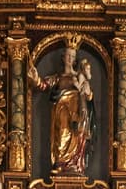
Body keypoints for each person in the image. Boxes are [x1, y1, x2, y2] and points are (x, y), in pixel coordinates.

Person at [29, 43, 94, 178]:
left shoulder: (79, 77)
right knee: (62, 135)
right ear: (63, 58)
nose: (70, 58)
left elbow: (88, 96)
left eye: (73, 56)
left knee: (77, 136)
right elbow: (43, 85)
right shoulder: (58, 78)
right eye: (68, 55)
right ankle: (61, 165)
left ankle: (75, 166)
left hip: (77, 110)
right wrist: (35, 78)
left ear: (75, 59)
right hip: (62, 110)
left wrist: (87, 93)